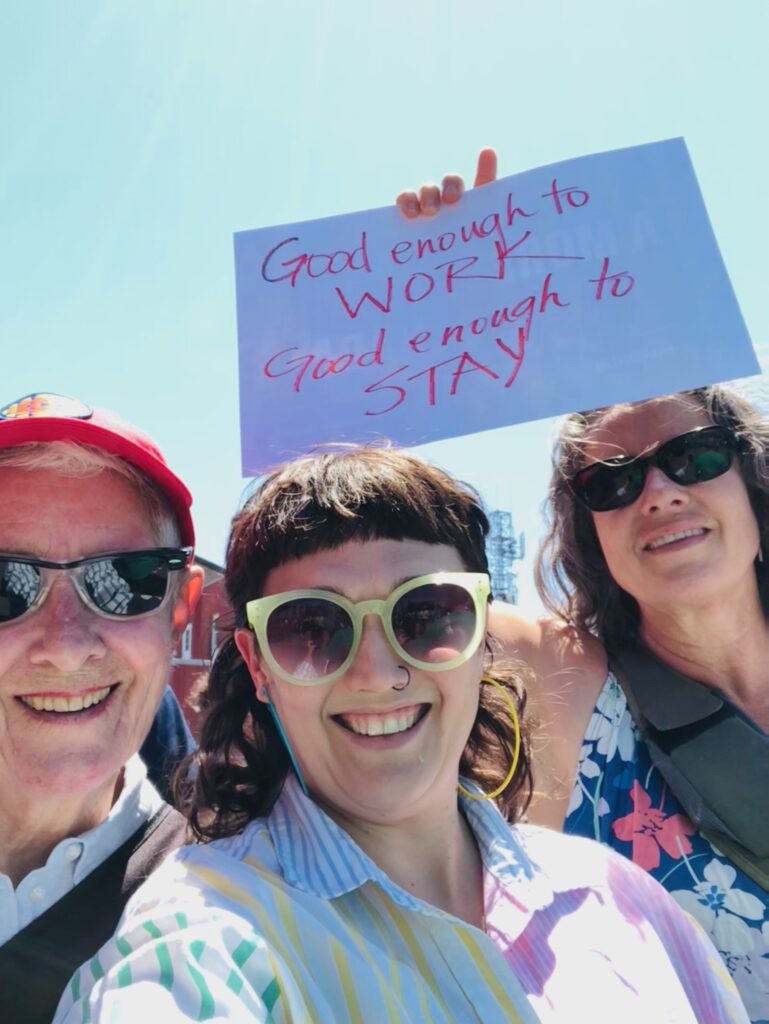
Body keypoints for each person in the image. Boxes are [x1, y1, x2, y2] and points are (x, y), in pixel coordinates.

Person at [55, 447, 747, 1023]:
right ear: (259, 666)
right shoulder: (204, 939)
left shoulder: (621, 896)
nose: (375, 671)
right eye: (311, 628)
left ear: (480, 637)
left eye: (425, 615)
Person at [398, 154, 769, 1021]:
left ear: (748, 478)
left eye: (691, 457)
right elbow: (377, 571)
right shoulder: (561, 678)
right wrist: (437, 298)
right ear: (589, 533)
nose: (659, 492)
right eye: (612, 482)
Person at [0, 391, 203, 1024]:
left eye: (126, 576)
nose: (65, 646)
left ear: (180, 607)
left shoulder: (226, 907)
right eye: (7, 581)